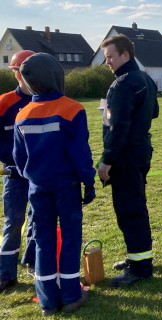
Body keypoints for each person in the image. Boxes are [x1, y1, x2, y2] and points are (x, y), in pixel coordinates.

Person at [13, 52, 95, 316]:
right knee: (70, 238)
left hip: (38, 188)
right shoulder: (72, 109)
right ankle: (71, 294)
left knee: (43, 240)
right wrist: (88, 181)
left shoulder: (22, 115)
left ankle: (47, 300)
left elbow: (19, 157)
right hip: (67, 187)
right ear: (57, 76)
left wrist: (34, 177)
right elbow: (80, 152)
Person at [98, 34, 159, 287]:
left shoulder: (122, 84)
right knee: (136, 205)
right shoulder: (146, 79)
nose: (107, 62)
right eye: (105, 58)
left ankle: (140, 267)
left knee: (128, 209)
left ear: (126, 55)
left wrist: (106, 160)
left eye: (110, 56)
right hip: (141, 150)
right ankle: (139, 256)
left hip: (125, 156)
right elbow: (154, 111)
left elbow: (117, 127)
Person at [0, 50, 36, 292]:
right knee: (14, 221)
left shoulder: (45, 100)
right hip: (14, 175)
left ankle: (34, 264)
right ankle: (5, 272)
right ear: (15, 73)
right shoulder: (4, 103)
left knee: (38, 221)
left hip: (40, 175)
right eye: (21, 71)